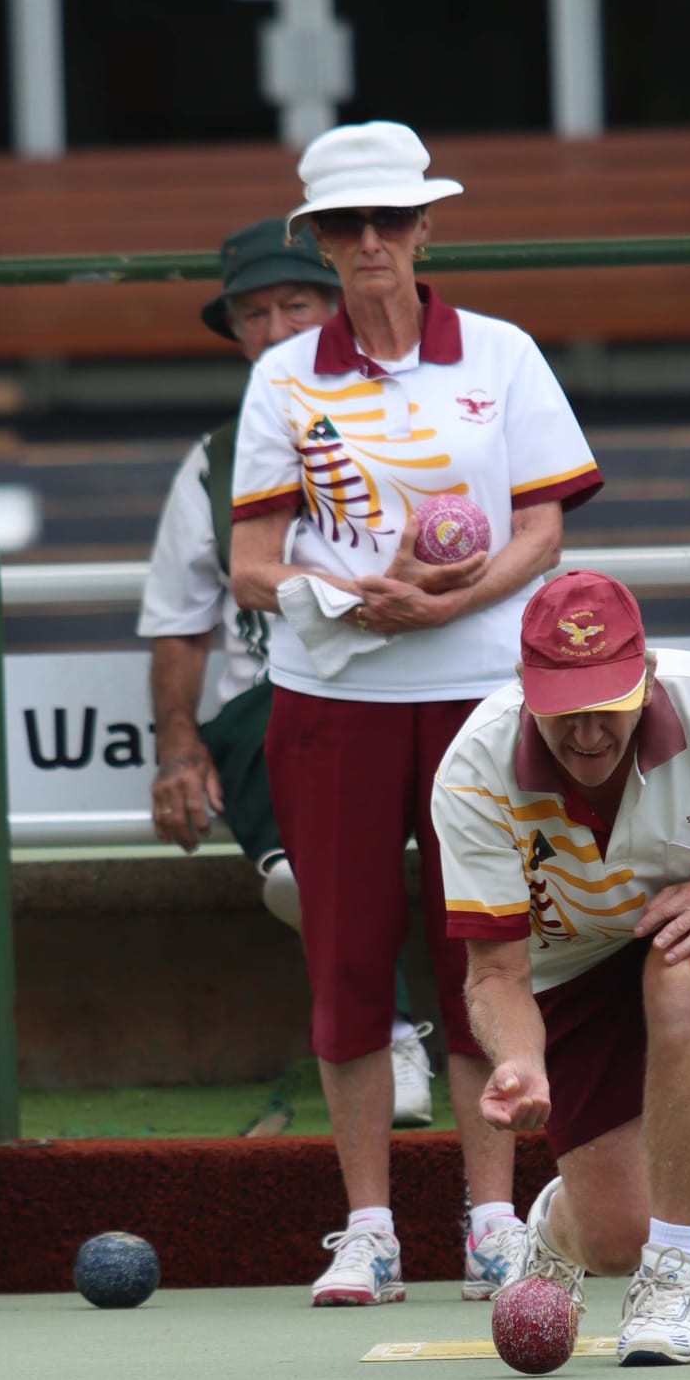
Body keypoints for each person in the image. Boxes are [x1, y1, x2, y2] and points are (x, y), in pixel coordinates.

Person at [227, 121, 604, 1306]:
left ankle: (491, 1217)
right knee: (343, 957)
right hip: (333, 696)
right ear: (318, 242)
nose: (372, 242)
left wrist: (445, 603)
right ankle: (369, 1228)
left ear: (427, 225)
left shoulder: (499, 354)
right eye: (348, 225)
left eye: (391, 219)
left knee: (481, 946)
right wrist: (348, 598)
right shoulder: (280, 377)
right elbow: (247, 561)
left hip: (485, 693)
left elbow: (544, 531)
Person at [433, 572, 690, 1366]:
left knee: (677, 978)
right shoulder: (473, 770)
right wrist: (519, 1058)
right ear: (523, 687)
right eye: (562, 711)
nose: (586, 735)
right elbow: (496, 974)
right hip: (565, 957)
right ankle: (564, 1221)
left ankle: (673, 1278)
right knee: (612, 1238)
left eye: (606, 706)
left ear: (646, 676)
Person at [140, 215, 437, 1126]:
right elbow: (181, 623)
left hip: (432, 675)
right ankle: (390, 1036)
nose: (272, 330)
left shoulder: (429, 411)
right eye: (253, 314)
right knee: (301, 870)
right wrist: (178, 747)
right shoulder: (212, 459)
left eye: (293, 304)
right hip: (279, 700)